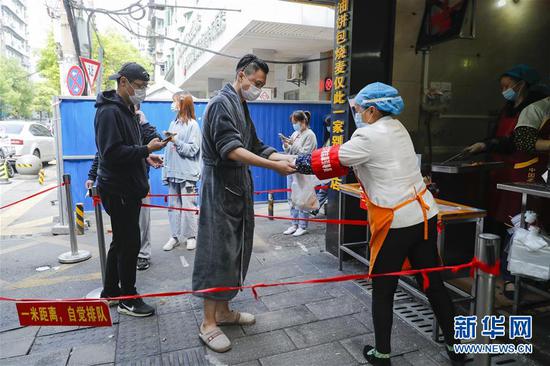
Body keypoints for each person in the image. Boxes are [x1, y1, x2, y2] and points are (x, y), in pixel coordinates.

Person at [293, 82, 463, 366]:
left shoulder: (368, 135)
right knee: (433, 283)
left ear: (372, 110)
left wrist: (292, 162)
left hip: (395, 222)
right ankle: (457, 348)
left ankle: (382, 355)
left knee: (384, 289)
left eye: (358, 109)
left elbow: (332, 159)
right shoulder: (398, 128)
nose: (356, 114)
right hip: (423, 216)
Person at [192, 54, 296, 353]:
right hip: (220, 189)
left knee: (235, 251)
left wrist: (284, 158)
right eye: (256, 83)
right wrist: (272, 166)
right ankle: (208, 323)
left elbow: (254, 143)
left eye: (262, 85)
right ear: (241, 75)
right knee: (218, 253)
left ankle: (224, 311)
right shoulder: (220, 104)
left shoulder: (240, 104)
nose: (258, 89)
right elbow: (232, 149)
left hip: (236, 189)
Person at [463, 64, 549, 298]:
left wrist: (489, 145)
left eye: (506, 86)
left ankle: (517, 278)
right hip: (505, 171)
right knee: (502, 221)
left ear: (522, 84)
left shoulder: (536, 108)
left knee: (524, 224)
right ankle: (500, 273)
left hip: (528, 172)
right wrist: (485, 145)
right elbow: (503, 137)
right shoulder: (510, 108)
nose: (504, 90)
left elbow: (518, 142)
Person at [94, 62, 166, 317]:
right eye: (139, 86)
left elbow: (128, 146)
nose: (142, 91)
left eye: (145, 87)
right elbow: (111, 154)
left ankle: (111, 292)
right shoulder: (109, 113)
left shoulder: (127, 110)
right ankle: (128, 297)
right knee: (129, 243)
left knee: (121, 241)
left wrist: (145, 157)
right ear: (123, 82)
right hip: (119, 189)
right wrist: (146, 150)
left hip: (126, 187)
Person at [86, 104, 162, 271]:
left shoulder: (137, 124)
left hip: (138, 182)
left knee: (141, 224)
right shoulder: (113, 120)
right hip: (119, 188)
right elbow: (105, 153)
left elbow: (154, 141)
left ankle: (142, 256)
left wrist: (144, 124)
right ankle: (119, 283)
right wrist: (92, 176)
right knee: (123, 237)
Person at [162, 93, 201, 251]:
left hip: (187, 174)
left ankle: (191, 236)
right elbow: (168, 150)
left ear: (183, 104)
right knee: (173, 206)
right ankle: (175, 236)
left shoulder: (193, 125)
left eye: (175, 102)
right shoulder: (173, 123)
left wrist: (175, 141)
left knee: (188, 206)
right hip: (172, 173)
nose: (173, 105)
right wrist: (165, 170)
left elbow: (192, 149)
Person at [282, 110, 317, 236]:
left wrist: (293, 144)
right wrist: (286, 145)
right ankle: (294, 224)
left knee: (303, 197)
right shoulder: (295, 133)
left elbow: (305, 153)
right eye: (293, 123)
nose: (294, 125)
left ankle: (302, 225)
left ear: (303, 122)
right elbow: (290, 150)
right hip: (292, 167)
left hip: (303, 169)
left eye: (295, 122)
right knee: (291, 197)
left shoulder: (310, 135)